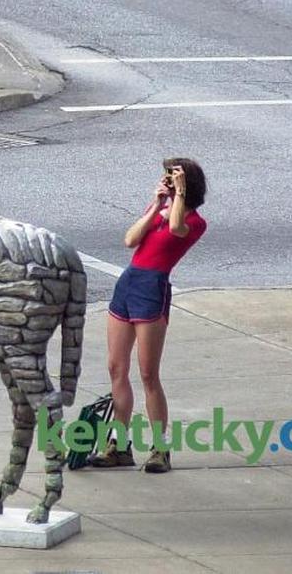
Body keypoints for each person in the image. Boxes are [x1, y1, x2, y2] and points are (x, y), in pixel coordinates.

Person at [88, 157, 207, 474]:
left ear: (187, 184)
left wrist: (179, 196)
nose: (167, 181)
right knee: (116, 367)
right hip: (128, 283)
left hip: (152, 288)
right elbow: (130, 240)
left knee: (147, 374)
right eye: (167, 177)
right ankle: (118, 444)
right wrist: (156, 203)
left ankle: (160, 449)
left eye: (173, 178)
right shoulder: (160, 209)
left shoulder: (195, 221)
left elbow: (176, 228)